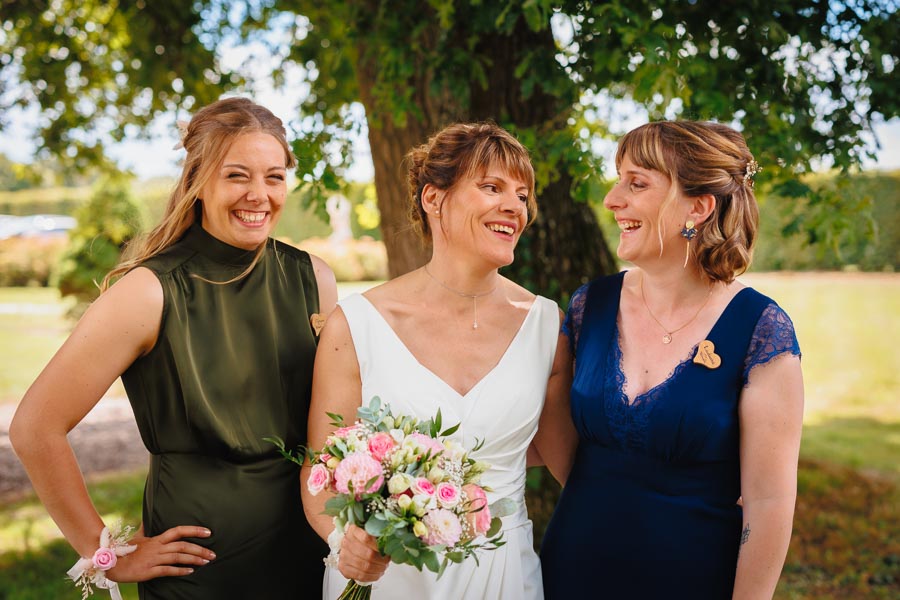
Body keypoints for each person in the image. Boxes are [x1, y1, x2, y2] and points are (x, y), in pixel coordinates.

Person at [10, 97, 337, 599]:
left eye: (274, 177)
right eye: (236, 176)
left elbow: (334, 429)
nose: (259, 194)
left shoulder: (314, 279)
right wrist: (106, 555)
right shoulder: (149, 290)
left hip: (307, 559)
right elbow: (35, 426)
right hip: (200, 577)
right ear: (198, 181)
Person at [301, 122, 577, 599]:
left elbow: (573, 464)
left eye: (522, 195)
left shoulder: (546, 329)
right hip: (387, 578)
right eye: (491, 187)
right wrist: (344, 541)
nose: (514, 206)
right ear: (434, 199)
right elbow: (319, 469)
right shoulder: (357, 325)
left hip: (504, 578)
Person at [540, 120, 804, 599]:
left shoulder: (760, 330)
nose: (612, 199)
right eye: (618, 179)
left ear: (698, 207)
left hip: (693, 579)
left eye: (636, 183)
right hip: (571, 572)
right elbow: (560, 442)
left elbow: (769, 503)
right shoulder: (588, 307)